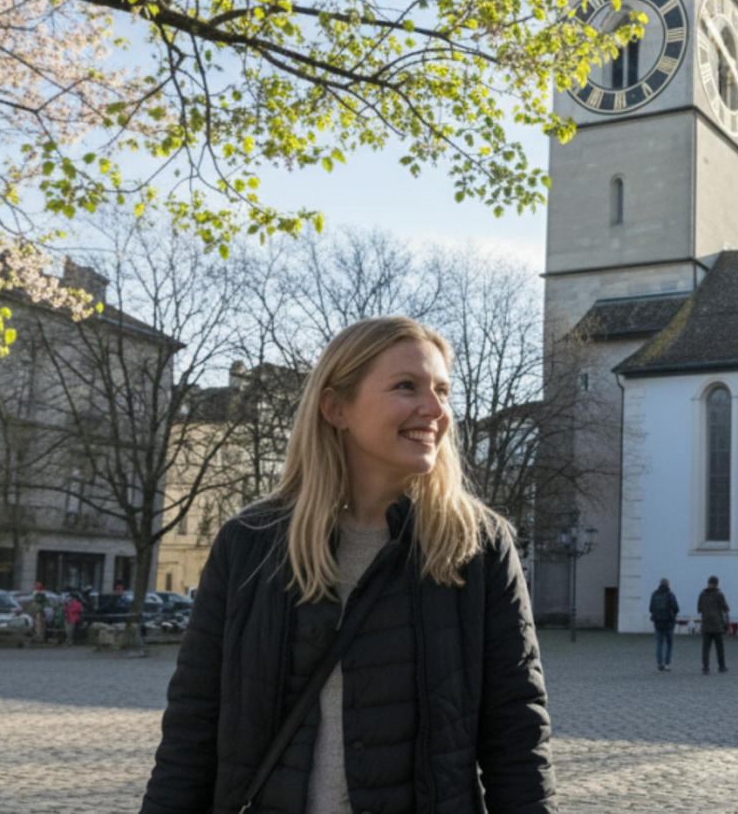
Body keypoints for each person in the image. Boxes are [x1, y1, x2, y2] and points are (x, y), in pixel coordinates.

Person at [141, 316, 555, 814]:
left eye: (443, 391)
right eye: (407, 386)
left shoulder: (478, 547)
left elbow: (517, 737)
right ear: (336, 407)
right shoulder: (249, 544)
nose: (435, 409)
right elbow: (191, 729)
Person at [697, 576, 730, 675]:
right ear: (717, 584)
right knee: (719, 647)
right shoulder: (719, 595)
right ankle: (721, 666)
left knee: (706, 647)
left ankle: (705, 667)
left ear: (708, 583)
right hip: (717, 625)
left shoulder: (703, 594)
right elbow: (726, 609)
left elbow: (699, 609)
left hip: (706, 624)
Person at [649, 578, 680, 671]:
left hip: (658, 622)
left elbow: (651, 608)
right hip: (669, 621)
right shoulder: (670, 594)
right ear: (668, 584)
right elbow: (676, 608)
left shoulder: (654, 594)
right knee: (669, 643)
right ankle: (667, 664)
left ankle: (659, 664)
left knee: (659, 643)